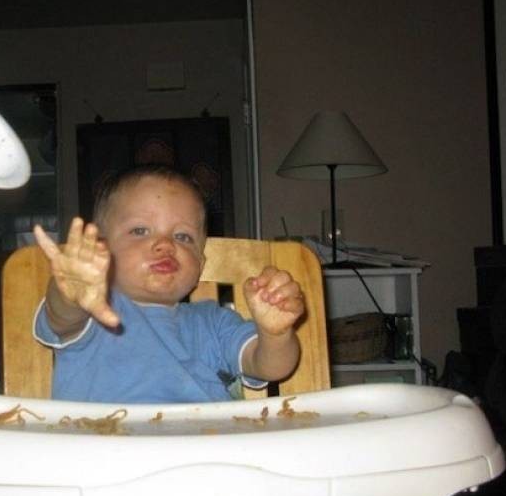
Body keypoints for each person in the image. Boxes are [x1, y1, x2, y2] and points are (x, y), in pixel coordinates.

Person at [32, 165, 303, 403]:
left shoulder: (215, 323)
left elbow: (270, 367)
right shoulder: (91, 312)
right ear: (100, 250)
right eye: (140, 231)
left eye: (183, 236)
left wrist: (275, 335)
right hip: (102, 441)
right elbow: (63, 318)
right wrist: (70, 294)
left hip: (201, 440)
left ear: (200, 263)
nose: (165, 244)